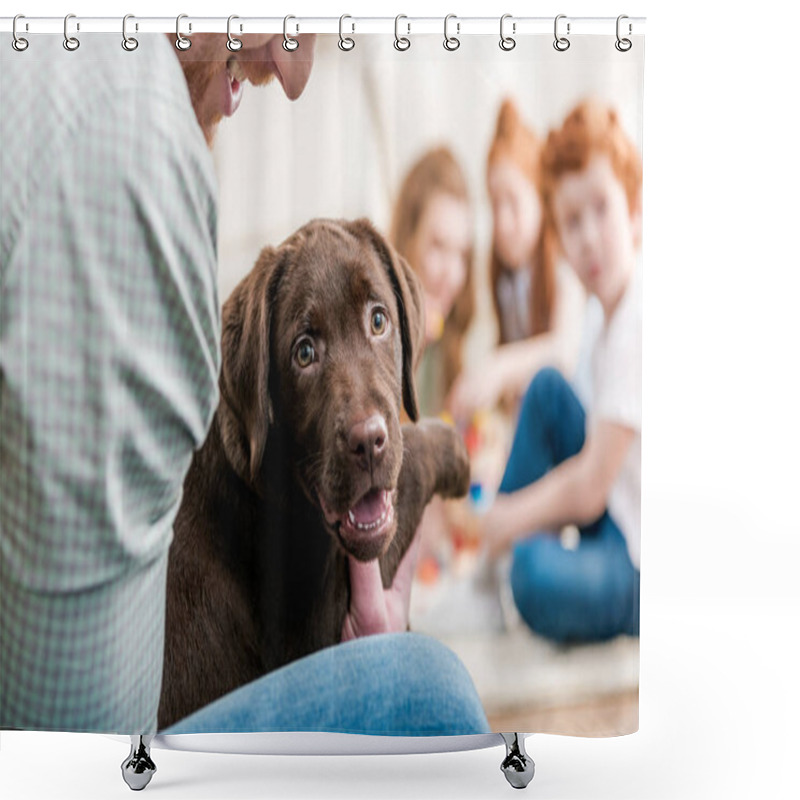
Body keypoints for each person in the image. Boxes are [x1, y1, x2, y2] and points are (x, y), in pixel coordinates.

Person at [0, 31, 489, 737]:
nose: (294, 74)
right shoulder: (126, 131)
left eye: (379, 320)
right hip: (111, 745)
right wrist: (436, 450)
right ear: (257, 380)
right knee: (432, 691)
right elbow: (75, 728)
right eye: (305, 351)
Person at [478, 99, 642, 644]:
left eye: (602, 209)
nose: (590, 237)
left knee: (533, 574)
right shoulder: (600, 314)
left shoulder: (639, 315)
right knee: (548, 389)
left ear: (635, 211)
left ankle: (500, 549)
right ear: (561, 242)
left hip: (640, 558)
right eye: (573, 222)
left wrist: (509, 517)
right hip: (614, 516)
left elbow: (591, 487)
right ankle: (494, 557)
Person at [448, 98, 585, 422]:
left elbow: (563, 352)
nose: (502, 221)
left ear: (540, 197)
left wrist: (499, 367)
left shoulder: (565, 268)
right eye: (494, 205)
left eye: (512, 202)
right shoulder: (507, 283)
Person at [389, 146, 475, 418]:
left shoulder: (451, 331)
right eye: (438, 246)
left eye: (461, 253)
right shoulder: (375, 331)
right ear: (408, 239)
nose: (452, 274)